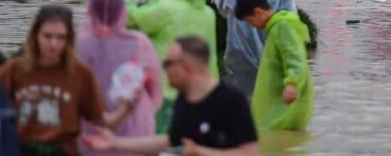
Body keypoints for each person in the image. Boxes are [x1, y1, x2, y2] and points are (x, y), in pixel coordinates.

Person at [83, 37, 259, 155]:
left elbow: (251, 152)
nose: (164, 70)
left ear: (187, 67)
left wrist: (203, 153)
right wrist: (116, 143)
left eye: (168, 64)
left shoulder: (231, 100)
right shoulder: (183, 98)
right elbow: (170, 141)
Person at [0, 5, 133, 155]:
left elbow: (103, 122)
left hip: (63, 150)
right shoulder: (14, 70)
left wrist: (126, 109)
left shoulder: (81, 74)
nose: (53, 44)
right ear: (35, 36)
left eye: (60, 37)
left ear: (69, 40)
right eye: (47, 36)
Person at [127, 0, 218, 131]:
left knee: (165, 140)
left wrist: (126, 4)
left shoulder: (167, 8)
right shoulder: (209, 14)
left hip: (168, 89)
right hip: (205, 91)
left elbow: (135, 21)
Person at [77, 0, 163, 156]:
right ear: (122, 12)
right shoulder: (140, 43)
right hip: (135, 128)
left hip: (89, 128)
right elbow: (155, 88)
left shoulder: (78, 41)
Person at [217, 0, 298, 98]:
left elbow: (222, 9)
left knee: (237, 110)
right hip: (266, 62)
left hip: (236, 59)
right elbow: (291, 27)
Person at [234, 0, 313, 131]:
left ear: (258, 12)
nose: (253, 26)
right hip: (278, 103)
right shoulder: (276, 27)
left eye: (250, 21)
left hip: (284, 105)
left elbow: (295, 58)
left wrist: (292, 84)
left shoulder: (282, 27)